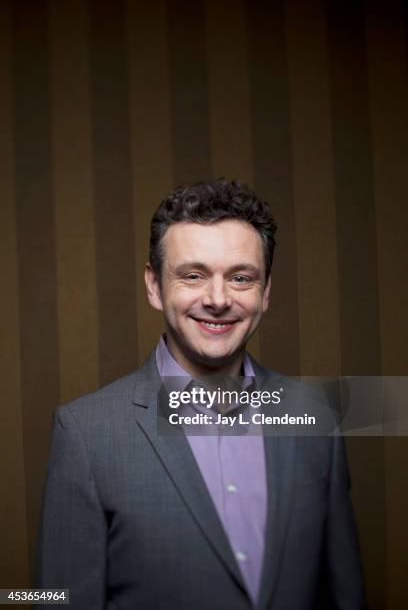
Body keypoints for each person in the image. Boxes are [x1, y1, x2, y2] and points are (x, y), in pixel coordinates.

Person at [37, 179, 367, 609]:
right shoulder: (86, 432)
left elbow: (344, 593)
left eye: (241, 278)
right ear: (154, 286)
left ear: (265, 292)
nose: (217, 299)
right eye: (193, 275)